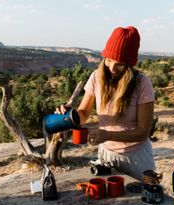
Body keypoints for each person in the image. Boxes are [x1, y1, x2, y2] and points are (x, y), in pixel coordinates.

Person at [56, 26, 155, 181]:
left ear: (129, 65)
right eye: (108, 60)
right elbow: (83, 114)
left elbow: (143, 132)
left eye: (120, 64)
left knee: (144, 202)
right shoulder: (96, 77)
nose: (112, 68)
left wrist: (108, 135)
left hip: (136, 158)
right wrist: (70, 115)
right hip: (106, 155)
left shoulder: (142, 83)